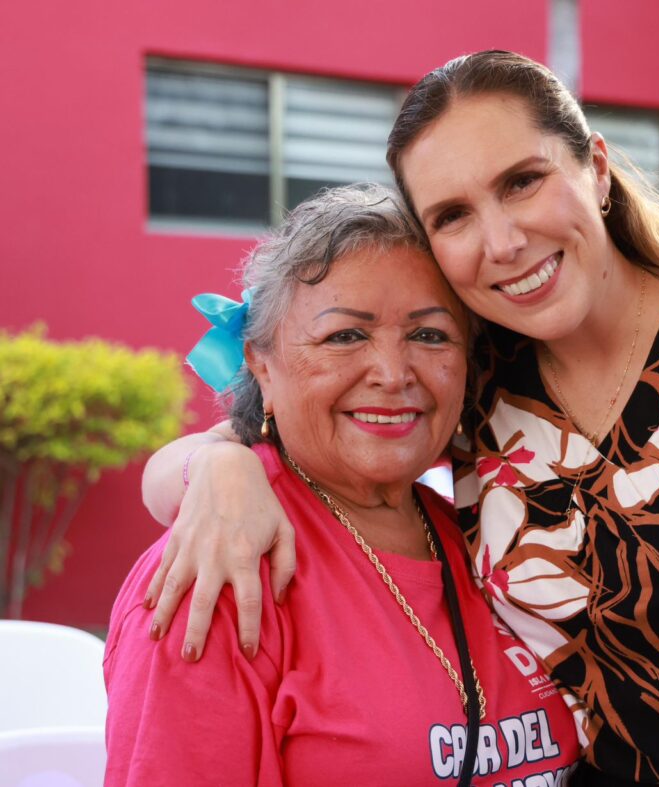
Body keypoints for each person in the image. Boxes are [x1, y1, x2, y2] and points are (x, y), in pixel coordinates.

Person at [140, 51, 659, 785]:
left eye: (522, 181)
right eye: (453, 215)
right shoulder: (483, 384)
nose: (501, 239)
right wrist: (223, 463)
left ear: (597, 171)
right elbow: (294, 431)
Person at [103, 185, 580, 786]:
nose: (392, 373)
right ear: (261, 364)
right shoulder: (219, 569)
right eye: (345, 336)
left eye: (430, 335)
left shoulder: (498, 530)